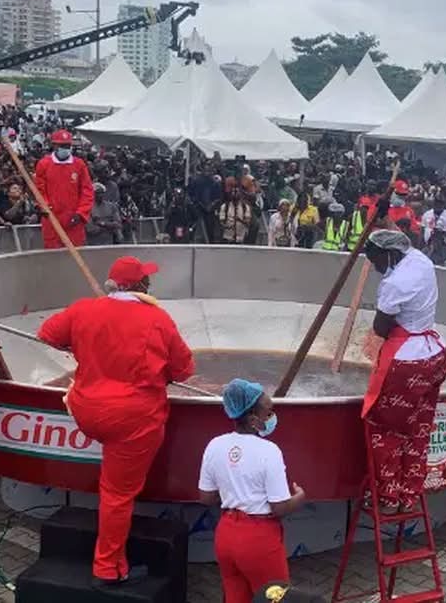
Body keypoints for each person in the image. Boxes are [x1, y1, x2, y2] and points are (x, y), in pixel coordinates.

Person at [37, 256, 195, 587]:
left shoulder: (84, 309)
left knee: (113, 483)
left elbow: (47, 333)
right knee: (117, 495)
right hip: (132, 421)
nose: (150, 285)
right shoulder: (157, 320)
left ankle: (110, 556)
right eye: (146, 280)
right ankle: (108, 568)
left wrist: (80, 345)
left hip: (87, 410)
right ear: (139, 286)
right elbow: (184, 370)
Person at [361, 229, 446, 511]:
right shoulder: (421, 260)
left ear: (390, 254)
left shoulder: (394, 284)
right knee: (418, 427)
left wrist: (373, 343)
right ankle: (410, 494)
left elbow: (381, 327)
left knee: (386, 428)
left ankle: (387, 496)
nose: (375, 268)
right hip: (434, 355)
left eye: (376, 261)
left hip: (406, 363)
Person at [198, 379, 306, 603]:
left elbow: (206, 497)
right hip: (259, 539)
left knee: (236, 597)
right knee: (276, 599)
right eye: (268, 413)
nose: (273, 417)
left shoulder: (214, 445)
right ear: (253, 419)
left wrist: (233, 489)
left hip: (226, 535)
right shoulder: (269, 451)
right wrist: (300, 497)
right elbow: (279, 507)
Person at [34, 129, 94, 249]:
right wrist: (45, 207)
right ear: (54, 146)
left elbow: (87, 191)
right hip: (52, 220)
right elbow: (40, 190)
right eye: (62, 145)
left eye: (68, 145)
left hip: (74, 221)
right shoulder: (43, 164)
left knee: (75, 256)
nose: (66, 148)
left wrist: (81, 213)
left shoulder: (79, 165)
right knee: (53, 256)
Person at [218, 178, 254, 245]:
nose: (235, 194)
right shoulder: (225, 206)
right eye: (233, 192)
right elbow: (221, 222)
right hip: (227, 238)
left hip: (241, 238)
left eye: (237, 192)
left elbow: (248, 222)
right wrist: (227, 226)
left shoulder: (245, 207)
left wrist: (239, 220)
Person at [421, 199, 446, 265]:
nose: (438, 205)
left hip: (443, 245)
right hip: (428, 244)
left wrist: (442, 233)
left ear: (444, 204)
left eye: (440, 203)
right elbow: (422, 230)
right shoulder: (427, 214)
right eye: (436, 203)